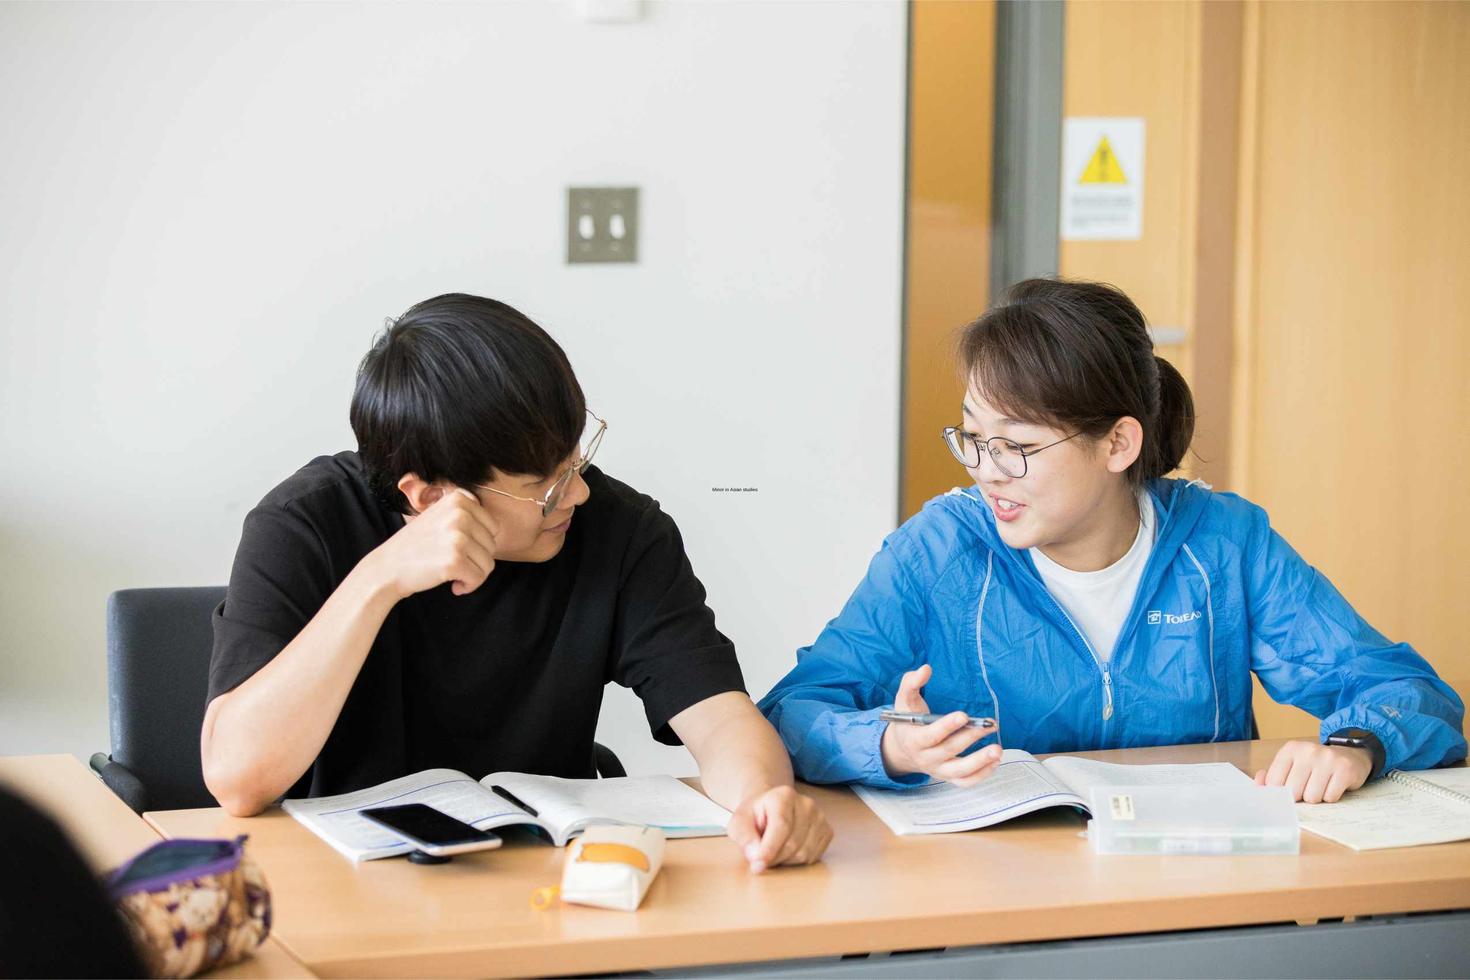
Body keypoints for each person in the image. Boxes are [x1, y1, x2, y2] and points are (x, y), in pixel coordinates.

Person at [759, 278, 1465, 803]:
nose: (985, 472)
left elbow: (1406, 690)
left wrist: (1355, 746)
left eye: (1019, 446)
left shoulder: (1224, 544)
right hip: (996, 898)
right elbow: (793, 712)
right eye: (974, 439)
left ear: (1118, 443)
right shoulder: (938, 551)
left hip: (1191, 892)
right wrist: (887, 744)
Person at [202, 293, 831, 873]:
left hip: (544, 881)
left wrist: (766, 800)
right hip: (343, 883)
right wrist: (379, 580)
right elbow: (237, 778)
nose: (577, 492)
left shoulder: (620, 530)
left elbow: (721, 719)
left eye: (576, 460)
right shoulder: (303, 527)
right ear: (429, 496)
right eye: (544, 485)